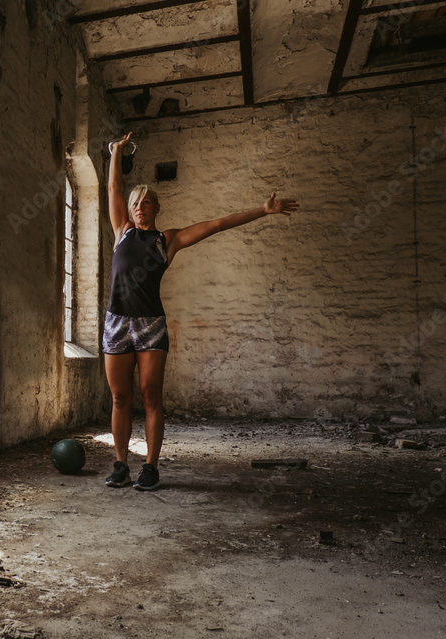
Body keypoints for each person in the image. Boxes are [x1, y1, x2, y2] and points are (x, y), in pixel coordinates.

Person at [103, 132, 299, 490]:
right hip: (116, 322)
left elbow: (218, 224)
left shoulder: (168, 240)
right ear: (130, 210)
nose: (140, 207)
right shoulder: (122, 232)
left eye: (147, 203)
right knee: (119, 397)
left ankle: (150, 466)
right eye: (136, 203)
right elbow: (114, 187)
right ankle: (119, 464)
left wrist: (263, 210)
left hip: (150, 326)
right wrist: (115, 152)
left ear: (156, 209)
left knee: (150, 395)